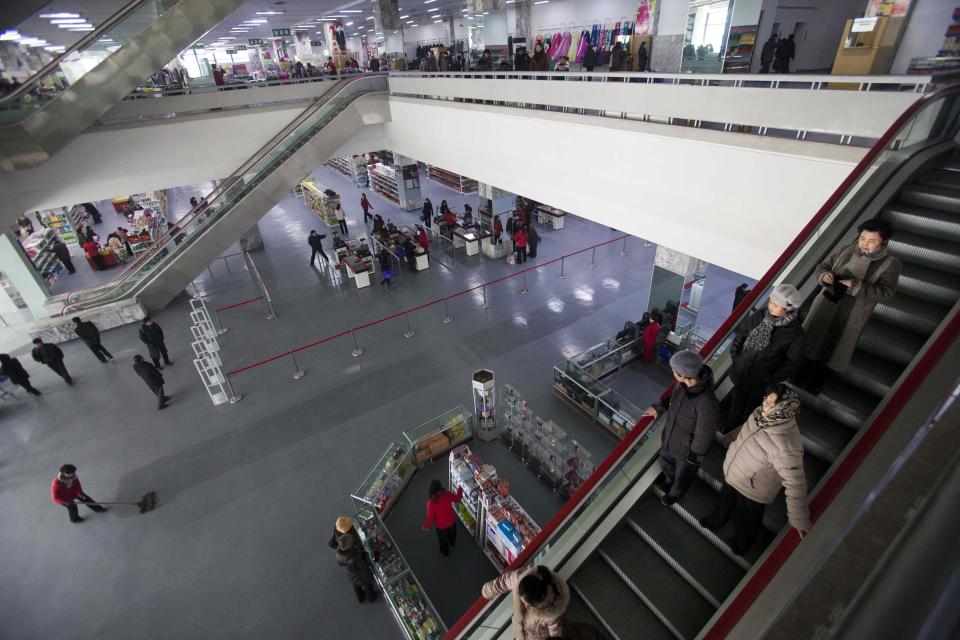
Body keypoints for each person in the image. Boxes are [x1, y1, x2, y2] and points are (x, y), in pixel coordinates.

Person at [700, 384, 811, 555]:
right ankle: (717, 520)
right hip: (735, 472)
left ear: (783, 407)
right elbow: (746, 428)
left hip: (754, 488)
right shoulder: (761, 413)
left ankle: (742, 543)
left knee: (748, 519)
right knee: (724, 499)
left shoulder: (787, 443)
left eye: (771, 403)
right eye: (766, 398)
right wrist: (730, 439)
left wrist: (799, 519)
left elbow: (795, 482)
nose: (765, 404)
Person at [800, 218, 902, 394]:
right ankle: (797, 375)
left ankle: (814, 385)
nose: (864, 244)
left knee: (834, 348)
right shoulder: (847, 249)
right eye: (862, 238)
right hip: (827, 303)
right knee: (811, 338)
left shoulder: (891, 263)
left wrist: (856, 285)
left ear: (883, 242)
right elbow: (823, 266)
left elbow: (886, 293)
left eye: (871, 241)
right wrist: (824, 276)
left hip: (853, 312)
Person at [643, 350, 720, 505]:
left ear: (683, 375)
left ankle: (675, 494)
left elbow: (704, 435)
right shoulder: (680, 385)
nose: (672, 373)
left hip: (686, 453)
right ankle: (669, 481)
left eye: (674, 371)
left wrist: (693, 459)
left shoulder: (706, 403)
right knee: (665, 463)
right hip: (669, 440)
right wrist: (657, 408)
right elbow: (671, 399)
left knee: (682, 477)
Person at [724, 284, 805, 432]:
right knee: (735, 401)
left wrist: (772, 377)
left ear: (788, 309)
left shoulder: (795, 334)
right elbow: (742, 333)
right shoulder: (760, 315)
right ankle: (728, 430)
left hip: (761, 381)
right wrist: (736, 356)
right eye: (771, 302)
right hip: (741, 370)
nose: (771, 307)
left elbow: (793, 361)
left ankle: (736, 434)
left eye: (776, 305)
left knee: (750, 409)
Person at [481, 565, 570, 639]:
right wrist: (489, 590)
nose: (525, 605)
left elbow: (555, 636)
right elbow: (504, 582)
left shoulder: (553, 614)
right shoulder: (522, 579)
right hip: (520, 631)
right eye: (522, 601)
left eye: (528, 604)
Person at [329, 516, 377, 603]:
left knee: (356, 585)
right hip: (361, 574)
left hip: (350, 573)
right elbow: (363, 566)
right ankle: (372, 597)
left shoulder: (339, 553)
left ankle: (360, 598)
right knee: (367, 585)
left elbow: (340, 563)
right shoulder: (355, 555)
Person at [422, 479, 463, 555]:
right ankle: (452, 542)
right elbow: (457, 499)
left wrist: (425, 527)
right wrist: (460, 488)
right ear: (440, 487)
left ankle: (445, 551)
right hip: (451, 520)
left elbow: (430, 517)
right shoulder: (448, 494)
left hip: (440, 525)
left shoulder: (430, 503)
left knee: (442, 539)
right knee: (452, 533)